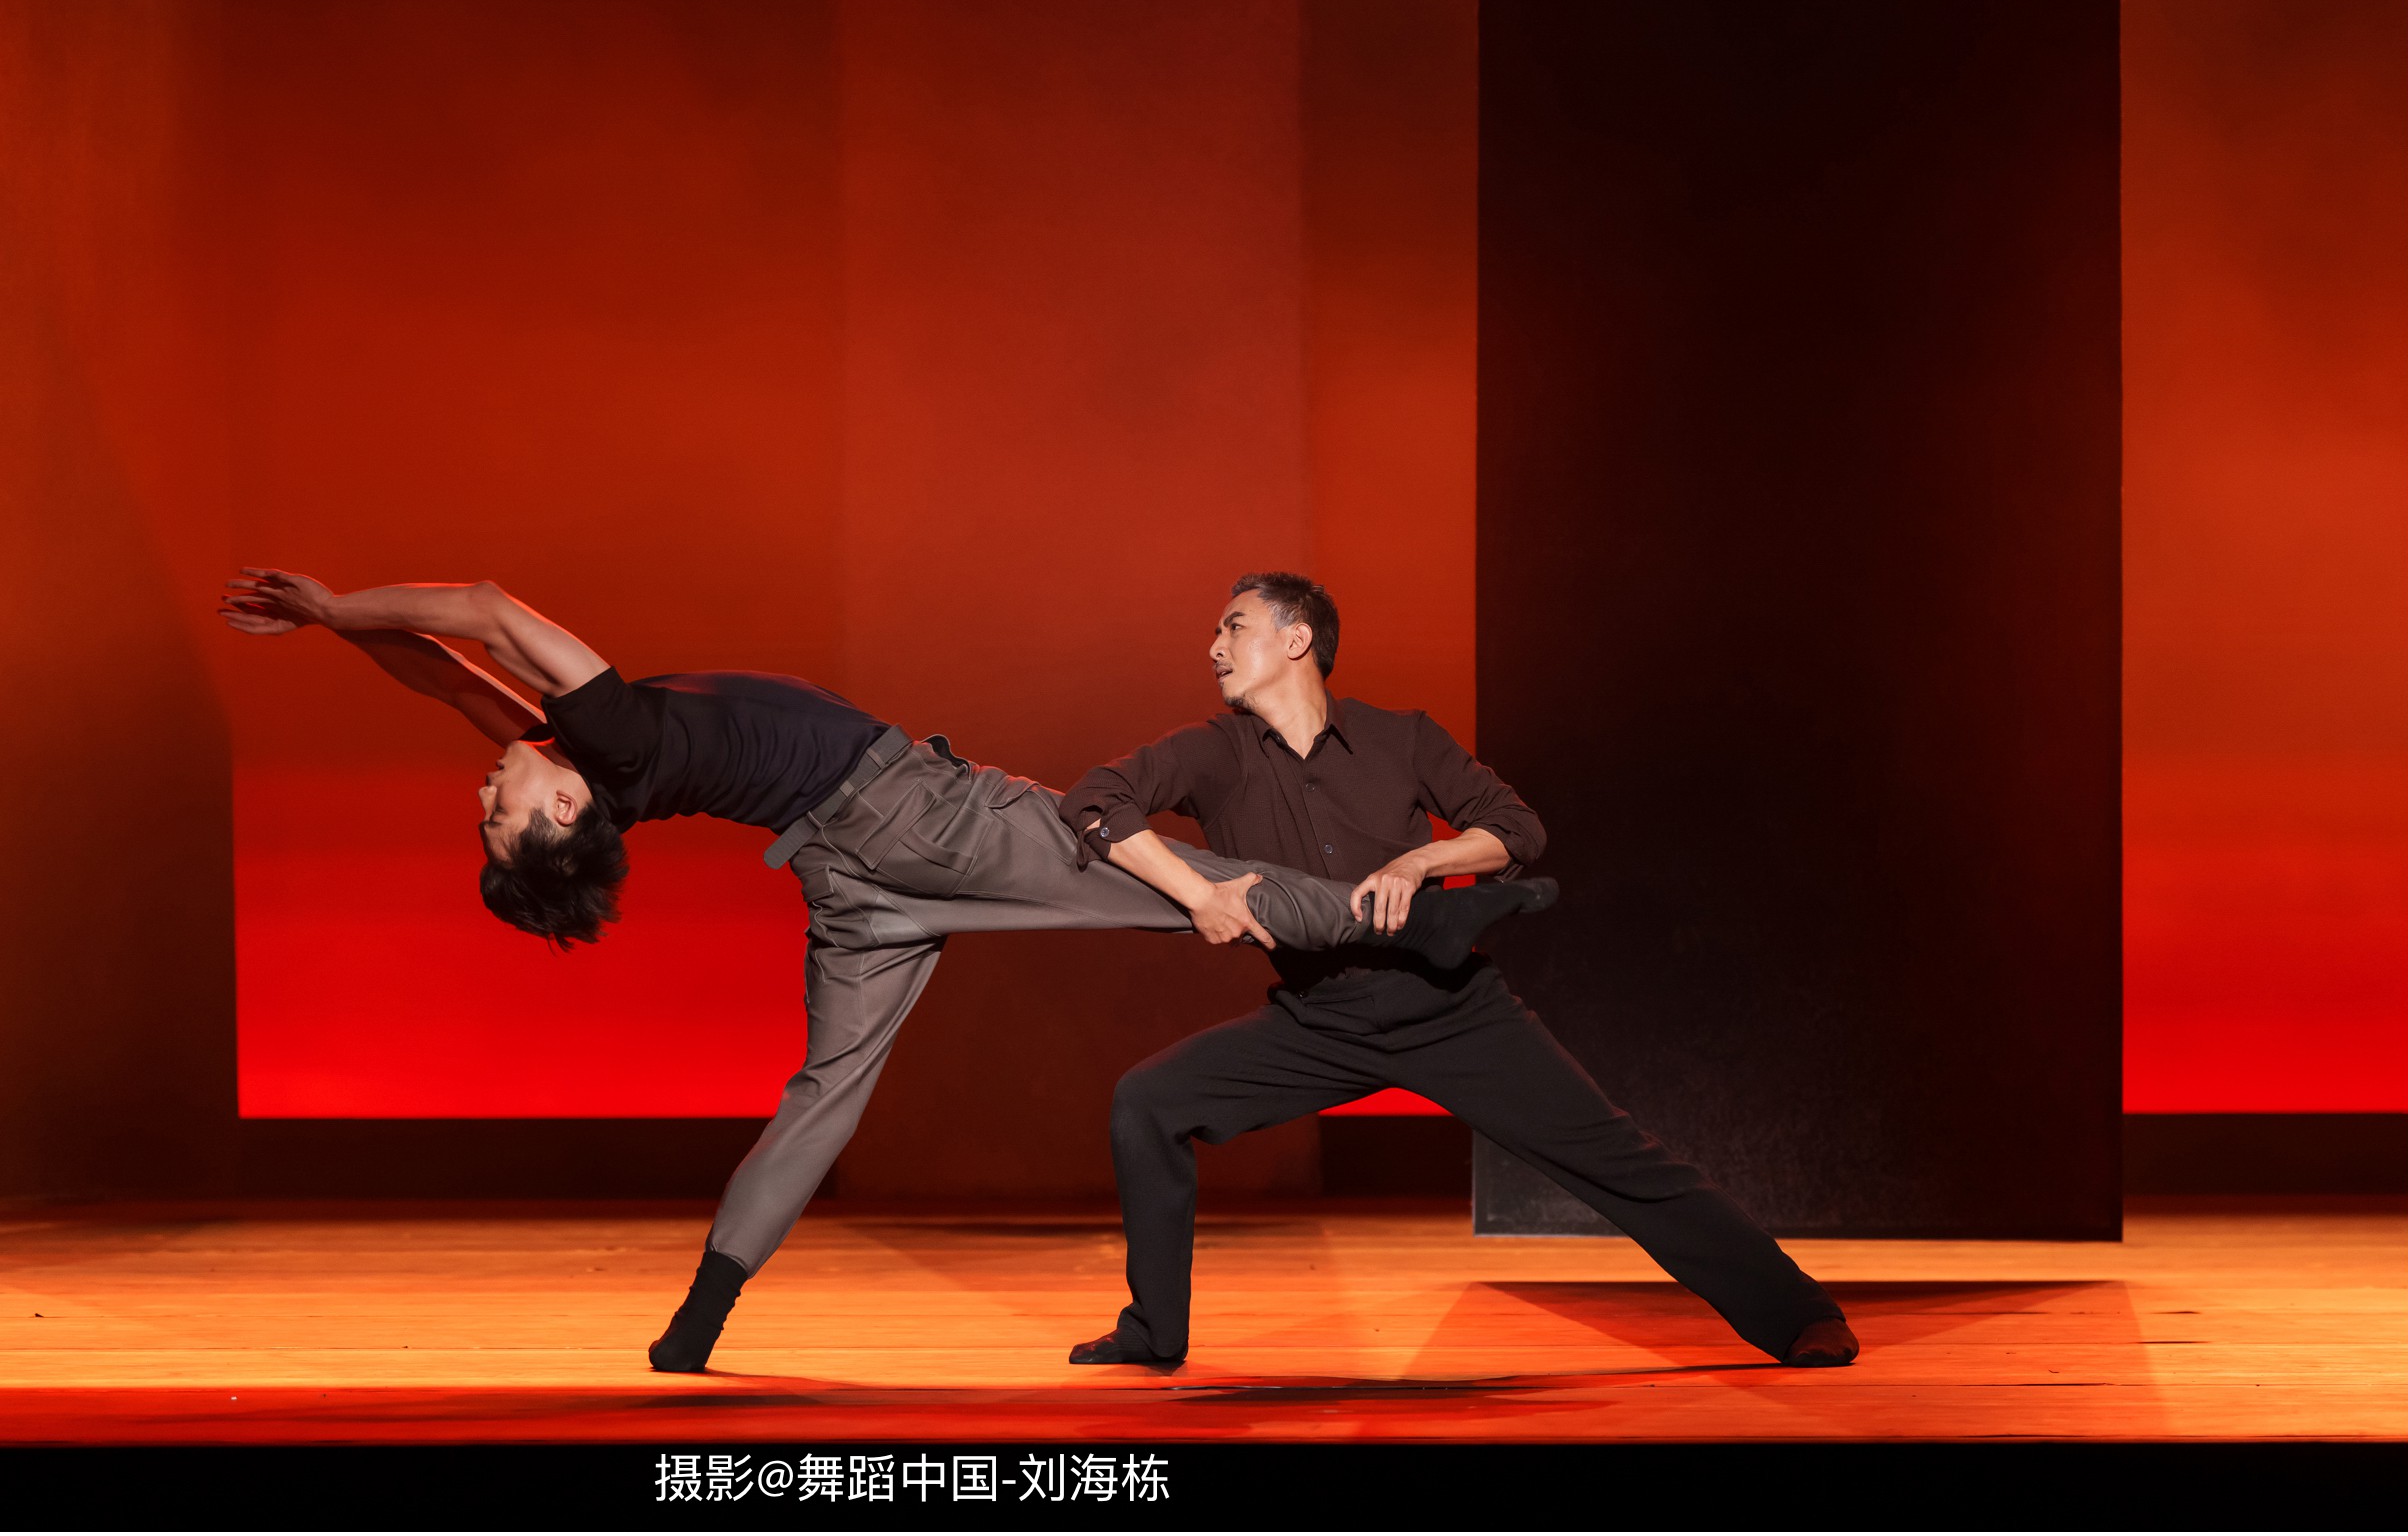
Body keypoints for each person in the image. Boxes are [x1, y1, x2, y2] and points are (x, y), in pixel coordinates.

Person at [218, 566, 1558, 1372]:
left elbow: (443, 666)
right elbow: (482, 607)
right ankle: (1418, 924)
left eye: (482, 805)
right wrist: (333, 603)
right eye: (494, 813)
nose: (484, 788)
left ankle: (701, 1317)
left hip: (847, 883)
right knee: (1167, 882)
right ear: (563, 813)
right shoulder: (607, 739)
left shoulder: (579, 760)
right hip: (916, 820)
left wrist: (333, 622)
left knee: (825, 1090)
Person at [1057, 571, 1858, 1371]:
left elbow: (1516, 828)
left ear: (1296, 638)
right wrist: (1198, 895)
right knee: (1148, 1101)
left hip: (1449, 1006)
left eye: (1233, 627)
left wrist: (1422, 861)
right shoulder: (1212, 753)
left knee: (1619, 1159)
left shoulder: (1401, 737)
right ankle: (1153, 1330)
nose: (1214, 647)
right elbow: (1094, 801)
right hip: (1317, 1018)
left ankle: (1799, 1315)